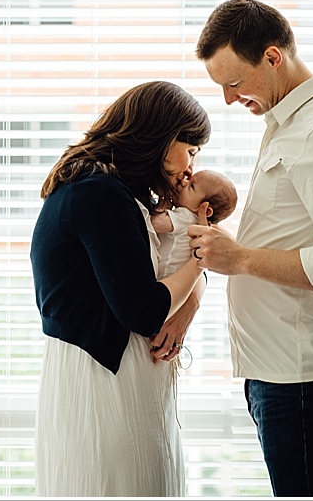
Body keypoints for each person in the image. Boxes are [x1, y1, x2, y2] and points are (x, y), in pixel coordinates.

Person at [187, 0, 313, 496]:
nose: (228, 99)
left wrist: (242, 258)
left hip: (305, 381)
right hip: (281, 375)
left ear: (273, 57)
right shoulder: (288, 122)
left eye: (234, 83)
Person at [31, 80, 210, 496]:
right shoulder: (100, 195)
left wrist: (194, 290)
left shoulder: (109, 192)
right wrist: (203, 261)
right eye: (192, 149)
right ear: (164, 140)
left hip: (110, 379)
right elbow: (145, 310)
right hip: (103, 389)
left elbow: (164, 280)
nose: (191, 165)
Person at [148, 169, 237, 278]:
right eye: (189, 180)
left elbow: (154, 224)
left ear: (206, 210)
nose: (184, 182)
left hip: (162, 277)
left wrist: (164, 201)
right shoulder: (197, 226)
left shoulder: (187, 217)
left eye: (192, 186)